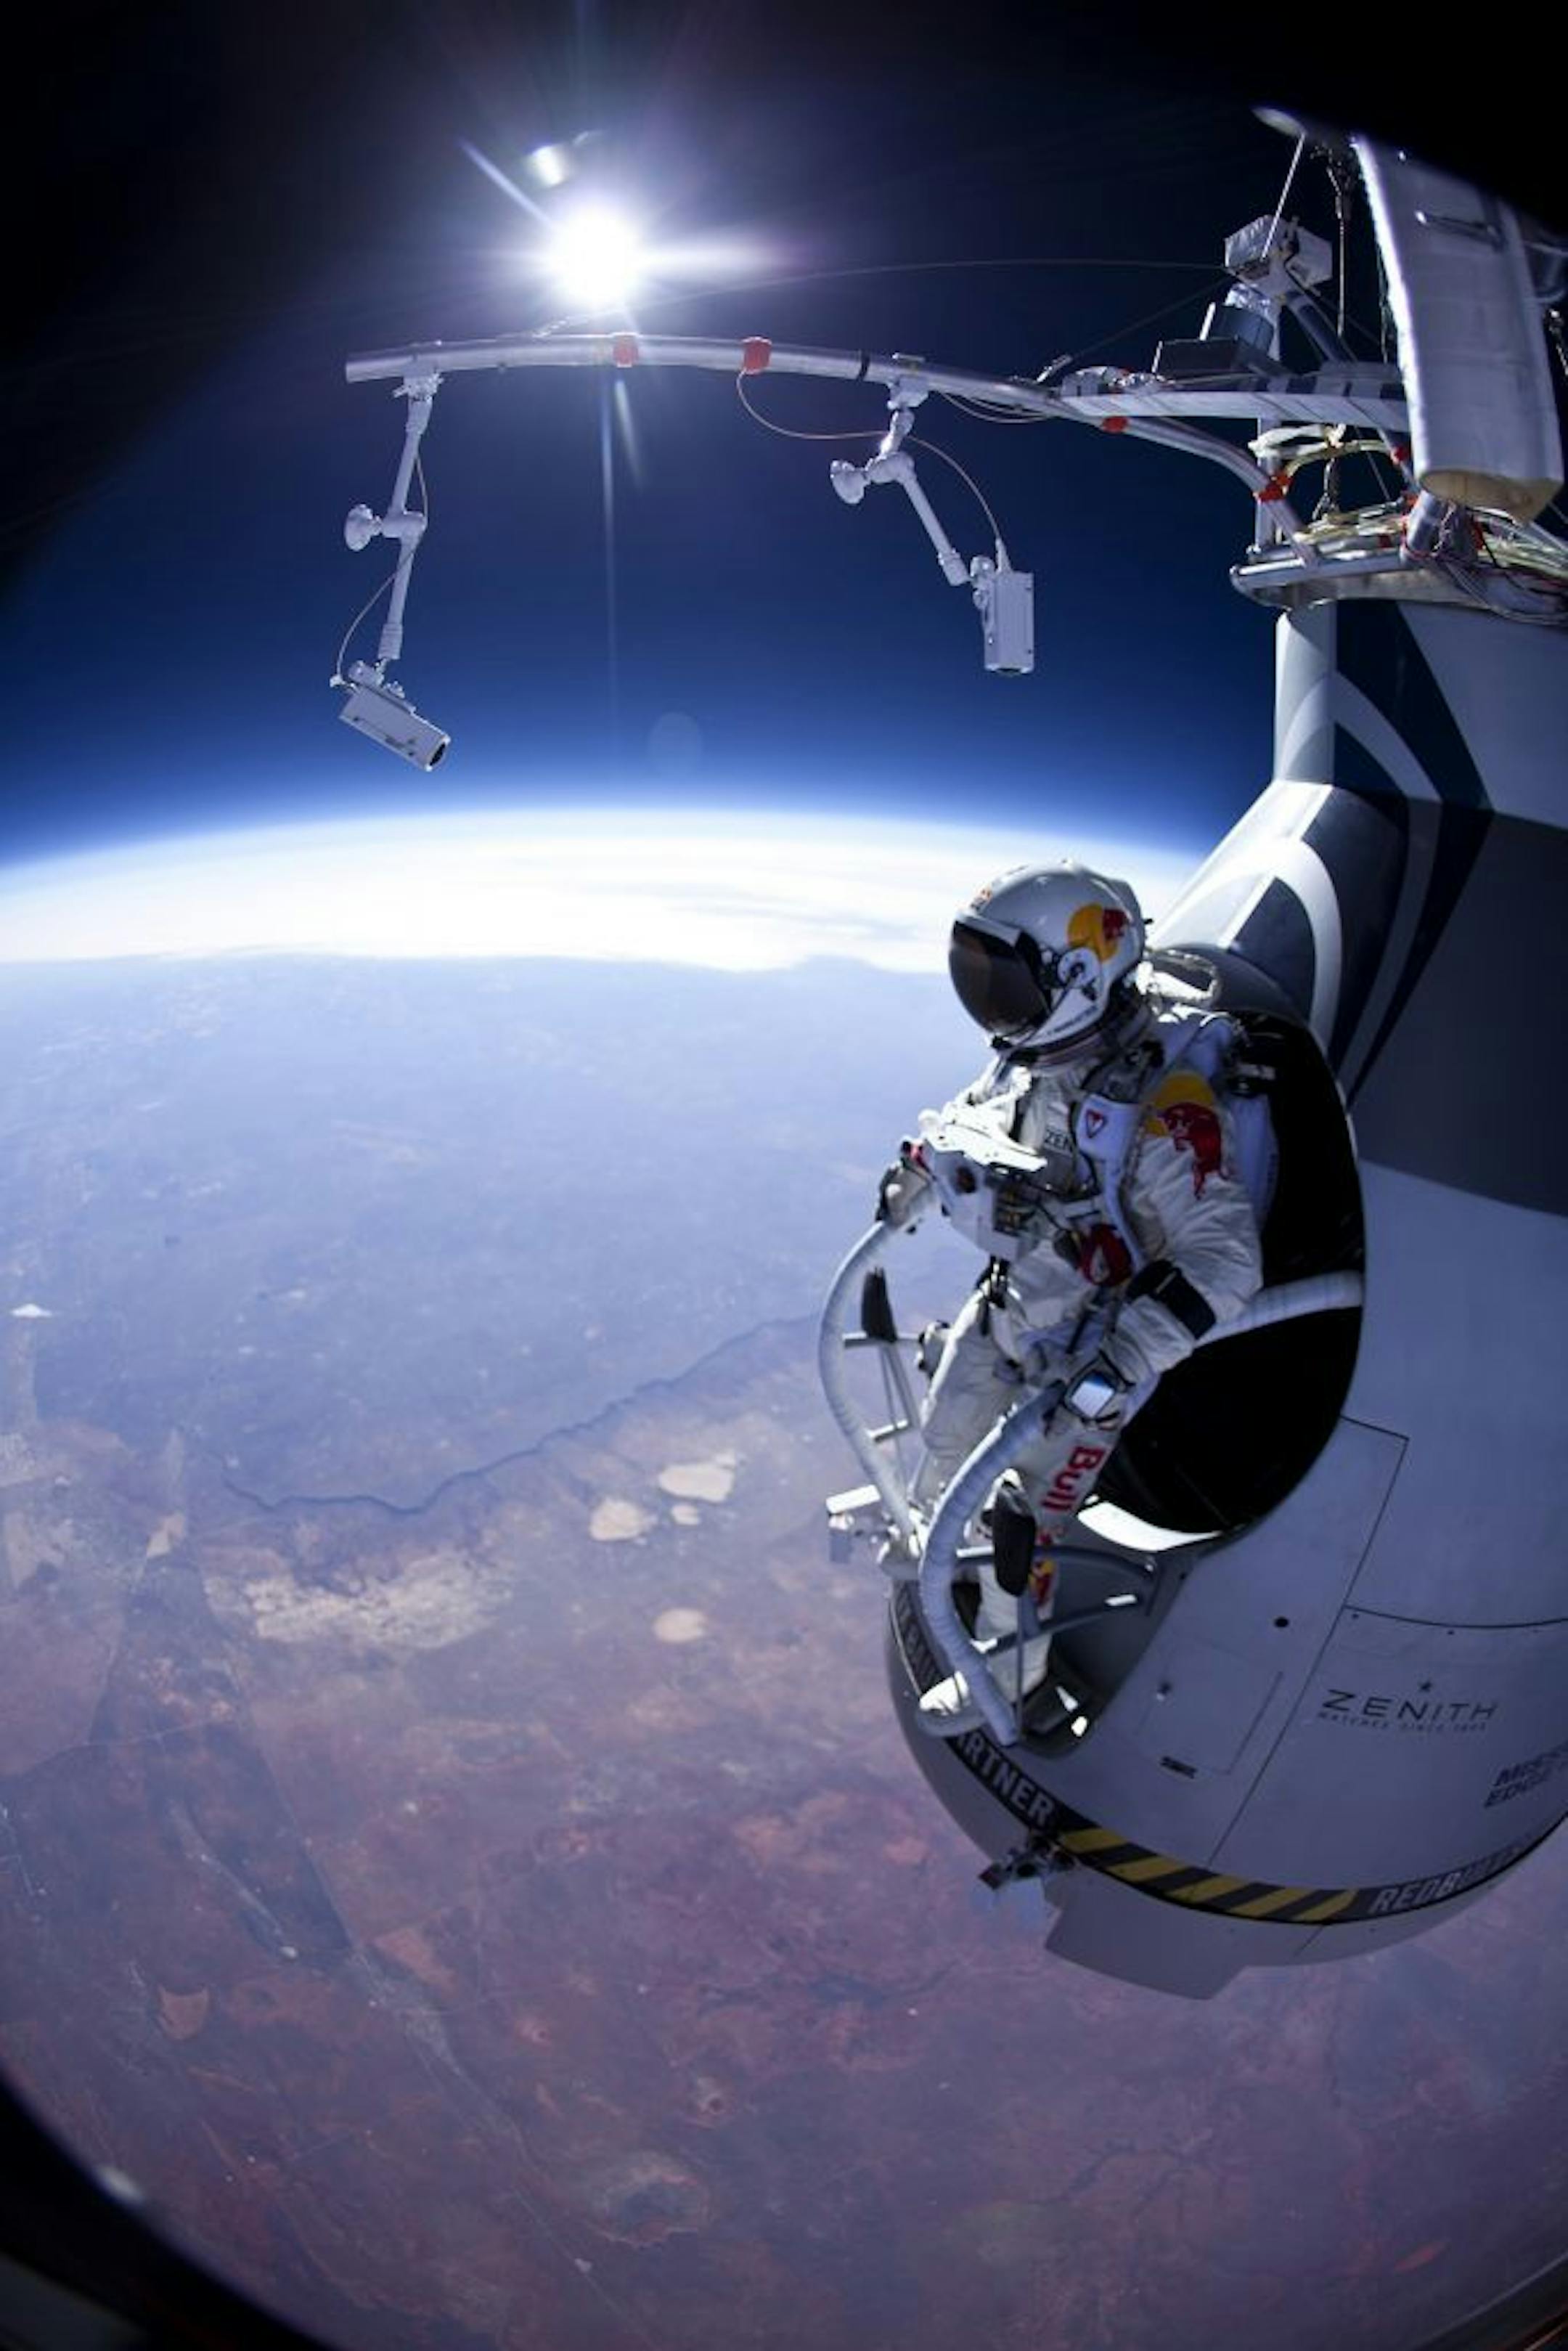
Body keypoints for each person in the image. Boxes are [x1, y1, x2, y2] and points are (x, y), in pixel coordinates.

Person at [877, 861, 1265, 1736]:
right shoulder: (1035, 1064)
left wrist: (1121, 1360)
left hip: (1087, 1359)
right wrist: (914, 1176)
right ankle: (950, 1571)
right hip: (1013, 1308)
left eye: (1006, 986)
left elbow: (1225, 1260)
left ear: (1078, 977)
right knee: (941, 1455)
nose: (994, 1011)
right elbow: (969, 1121)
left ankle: (1012, 1677)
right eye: (982, 983)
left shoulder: (1164, 1105)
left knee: (1025, 1529)